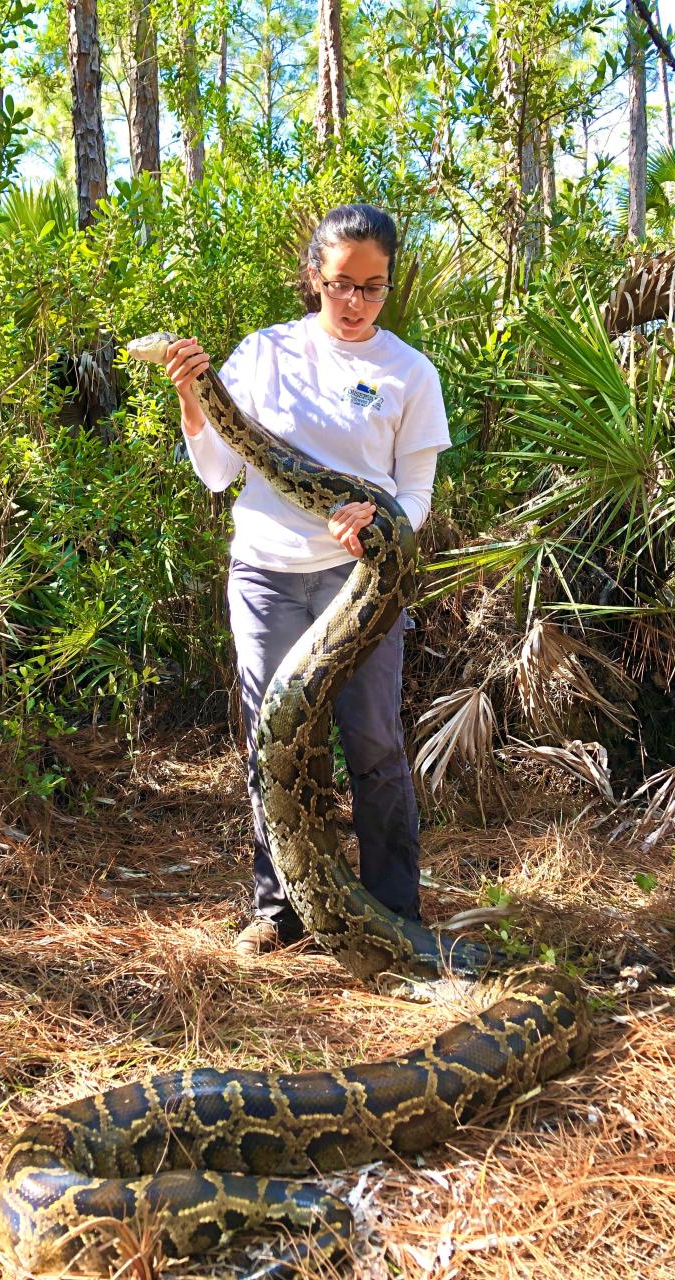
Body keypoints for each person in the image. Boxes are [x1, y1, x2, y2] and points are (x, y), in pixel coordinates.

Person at [166, 204, 451, 955]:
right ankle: (281, 908)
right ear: (312, 278)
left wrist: (378, 520)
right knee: (275, 744)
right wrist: (193, 399)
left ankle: (396, 914)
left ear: (390, 285)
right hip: (267, 575)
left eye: (373, 287)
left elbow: (416, 496)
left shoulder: (408, 372)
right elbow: (217, 473)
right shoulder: (263, 355)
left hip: (361, 584)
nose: (355, 303)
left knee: (376, 743)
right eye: (339, 285)